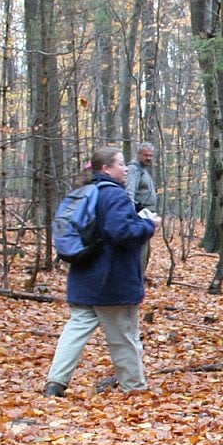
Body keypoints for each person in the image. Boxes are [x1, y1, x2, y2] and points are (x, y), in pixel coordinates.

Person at [44, 146, 160, 397]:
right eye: (120, 164)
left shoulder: (84, 192)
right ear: (106, 168)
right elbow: (121, 233)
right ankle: (135, 389)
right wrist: (149, 226)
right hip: (112, 282)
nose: (126, 168)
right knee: (125, 337)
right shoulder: (114, 196)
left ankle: (55, 383)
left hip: (84, 278)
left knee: (75, 331)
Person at [126, 141, 158, 275]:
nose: (149, 158)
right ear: (139, 154)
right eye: (146, 155)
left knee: (145, 248)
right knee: (139, 248)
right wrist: (132, 214)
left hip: (147, 215)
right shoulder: (134, 169)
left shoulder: (143, 171)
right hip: (139, 215)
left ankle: (140, 275)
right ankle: (135, 275)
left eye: (151, 156)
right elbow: (129, 191)